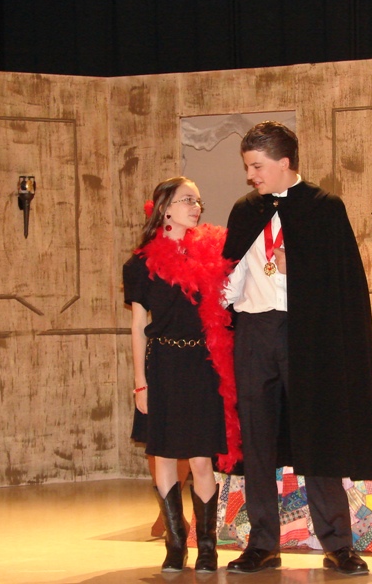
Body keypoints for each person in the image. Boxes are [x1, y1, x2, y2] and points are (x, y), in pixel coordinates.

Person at [222, 122, 372, 575]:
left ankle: (338, 544)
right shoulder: (245, 210)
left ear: (284, 163)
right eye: (248, 167)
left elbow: (343, 280)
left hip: (307, 333)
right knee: (257, 439)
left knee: (318, 435)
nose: (251, 175)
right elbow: (230, 268)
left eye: (257, 166)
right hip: (254, 332)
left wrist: (295, 265)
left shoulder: (324, 207)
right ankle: (262, 543)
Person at [123, 176, 241, 572]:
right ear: (165, 209)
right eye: (188, 200)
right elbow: (138, 327)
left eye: (198, 201)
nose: (196, 207)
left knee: (202, 460)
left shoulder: (211, 255)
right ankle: (175, 545)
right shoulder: (140, 265)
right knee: (164, 458)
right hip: (162, 365)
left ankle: (207, 546)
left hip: (203, 365)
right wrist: (140, 383)